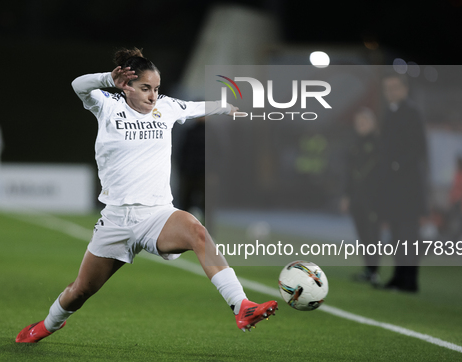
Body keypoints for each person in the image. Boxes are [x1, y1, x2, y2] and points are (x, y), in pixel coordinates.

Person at [15, 48, 277, 343]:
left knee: (197, 231)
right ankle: (49, 324)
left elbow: (195, 106)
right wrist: (106, 79)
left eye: (156, 89)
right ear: (125, 86)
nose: (153, 96)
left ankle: (242, 306)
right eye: (145, 88)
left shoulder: (166, 107)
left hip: (157, 214)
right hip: (116, 219)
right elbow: (78, 85)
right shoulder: (107, 105)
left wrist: (228, 107)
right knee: (81, 290)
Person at [377, 74, 429, 293]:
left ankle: (410, 280)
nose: (391, 92)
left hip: (407, 186)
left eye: (395, 87)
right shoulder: (390, 112)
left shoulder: (412, 112)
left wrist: (397, 165)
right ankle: (398, 276)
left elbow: (418, 148)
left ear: (405, 89)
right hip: (393, 186)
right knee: (397, 233)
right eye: (387, 88)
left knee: (408, 233)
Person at [340, 108, 381, 286]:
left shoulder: (379, 144)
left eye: (364, 122)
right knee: (362, 235)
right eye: (358, 122)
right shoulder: (354, 144)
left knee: (373, 235)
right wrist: (346, 195)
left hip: (373, 198)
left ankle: (374, 271)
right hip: (356, 197)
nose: (360, 126)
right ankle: (368, 269)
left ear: (372, 123)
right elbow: (349, 174)